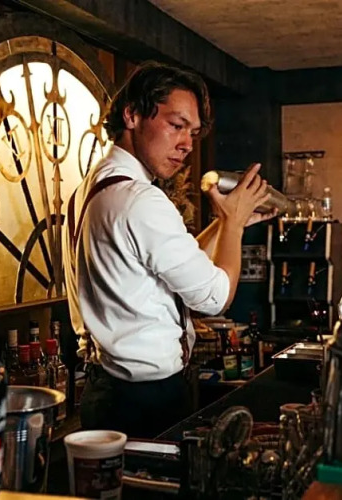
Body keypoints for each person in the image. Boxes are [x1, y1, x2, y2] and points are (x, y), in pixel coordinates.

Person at [63, 61, 275, 439]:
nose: (187, 144)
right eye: (176, 125)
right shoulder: (139, 198)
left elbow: (178, 263)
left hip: (110, 390)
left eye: (192, 132)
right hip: (143, 399)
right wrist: (233, 225)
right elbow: (214, 297)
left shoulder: (94, 188)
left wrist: (226, 223)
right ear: (132, 115)